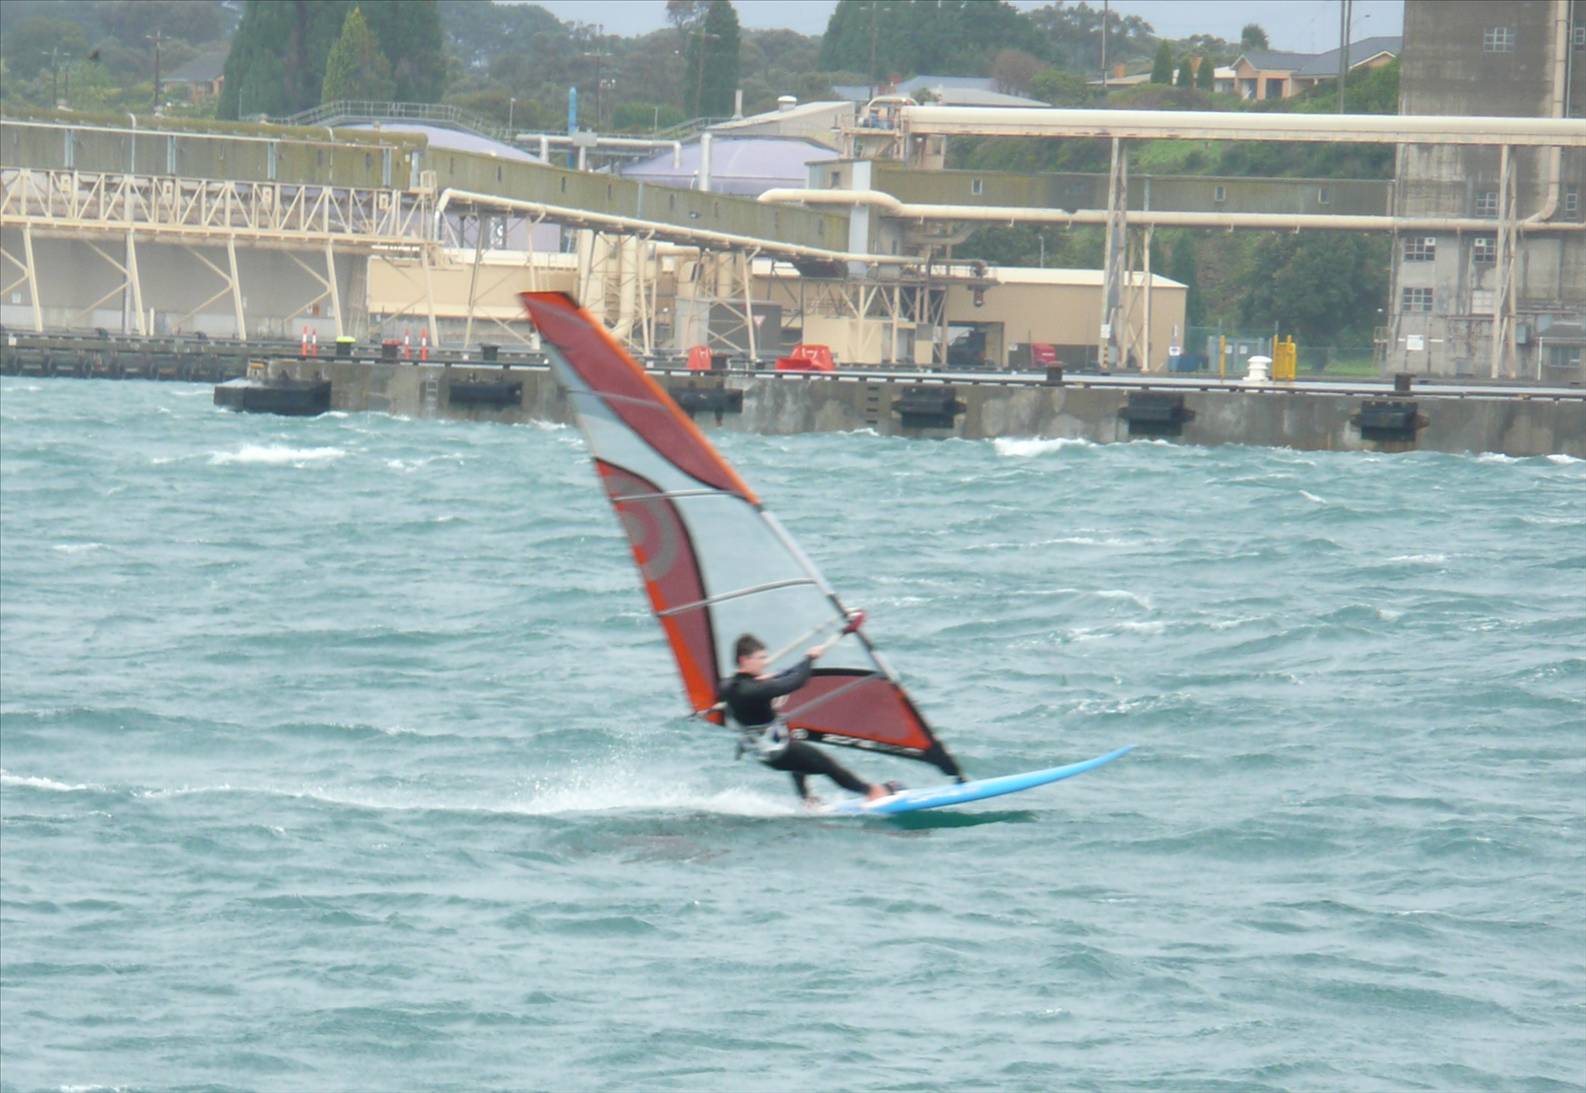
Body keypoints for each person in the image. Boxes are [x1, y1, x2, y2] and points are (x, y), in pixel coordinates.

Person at [718, 632, 897, 806]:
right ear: (744, 660)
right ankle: (871, 792)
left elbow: (758, 682)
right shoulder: (754, 690)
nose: (765, 663)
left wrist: (763, 678)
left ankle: (807, 800)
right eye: (760, 658)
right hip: (779, 751)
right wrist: (810, 658)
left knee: (798, 759)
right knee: (829, 766)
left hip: (763, 753)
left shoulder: (728, 686)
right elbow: (796, 682)